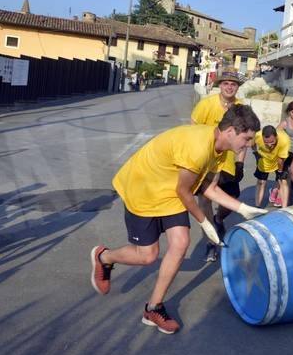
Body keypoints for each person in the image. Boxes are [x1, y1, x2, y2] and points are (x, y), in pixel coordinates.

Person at [90, 105, 265, 335]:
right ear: (231, 131)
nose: (249, 145)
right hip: (144, 187)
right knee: (148, 255)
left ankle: (153, 308)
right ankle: (104, 257)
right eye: (247, 138)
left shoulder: (220, 150)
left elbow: (208, 188)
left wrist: (243, 208)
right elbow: (185, 191)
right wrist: (204, 222)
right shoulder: (199, 148)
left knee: (180, 243)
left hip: (169, 190)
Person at [190, 68, 246, 262]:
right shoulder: (206, 105)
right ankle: (210, 242)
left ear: (237, 87)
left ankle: (219, 219)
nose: (230, 87)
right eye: (226, 83)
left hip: (229, 163)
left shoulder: (241, 109)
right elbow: (193, 132)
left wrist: (240, 164)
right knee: (205, 202)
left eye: (234, 84)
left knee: (231, 199)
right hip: (207, 163)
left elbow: (245, 138)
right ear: (220, 85)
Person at [253, 125, 290, 208]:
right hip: (265, 159)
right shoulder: (257, 136)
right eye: (266, 143)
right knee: (261, 182)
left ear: (276, 136)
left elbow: (281, 160)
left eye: (272, 142)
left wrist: (280, 172)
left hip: (279, 160)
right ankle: (257, 206)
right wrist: (256, 153)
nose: (269, 145)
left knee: (283, 181)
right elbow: (252, 144)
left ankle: (284, 209)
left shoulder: (284, 140)